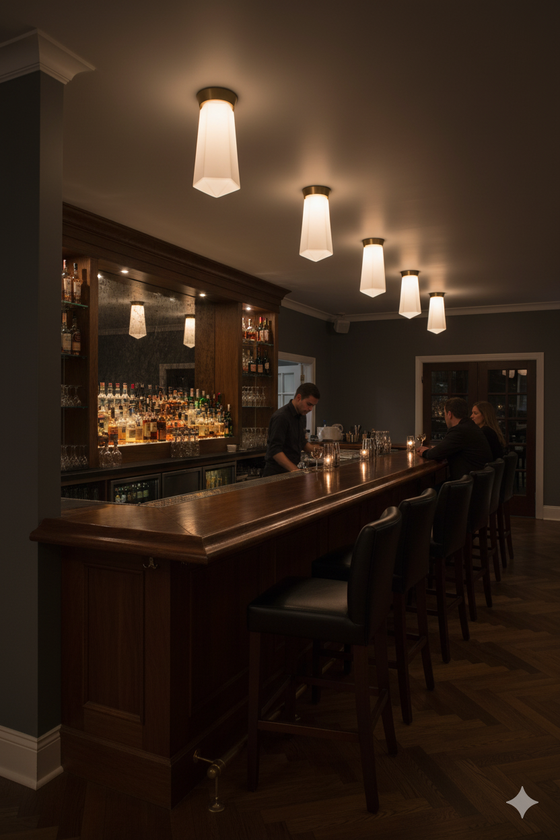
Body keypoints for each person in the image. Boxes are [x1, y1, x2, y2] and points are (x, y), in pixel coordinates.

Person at [416, 396, 492, 480]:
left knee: (427, 490)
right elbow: (445, 448)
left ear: (449, 414)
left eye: (444, 414)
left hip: (467, 486)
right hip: (479, 482)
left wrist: (424, 451)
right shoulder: (470, 426)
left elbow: (435, 453)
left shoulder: (459, 430)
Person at [263, 383, 320, 476]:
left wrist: (318, 450)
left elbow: (302, 442)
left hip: (291, 472)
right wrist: (295, 470)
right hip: (276, 474)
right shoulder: (281, 417)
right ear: (298, 397)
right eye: (309, 404)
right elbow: (275, 450)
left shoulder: (302, 416)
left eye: (313, 406)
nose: (310, 409)